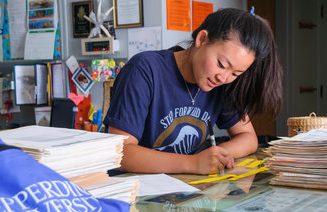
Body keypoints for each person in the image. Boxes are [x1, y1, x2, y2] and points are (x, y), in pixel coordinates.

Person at [103, 8, 282, 174]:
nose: (224, 77)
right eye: (221, 64)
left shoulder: (222, 84)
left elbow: (248, 137)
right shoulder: (144, 70)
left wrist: (218, 155)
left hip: (181, 188)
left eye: (236, 73)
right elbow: (121, 153)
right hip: (133, 189)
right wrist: (193, 163)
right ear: (202, 39)